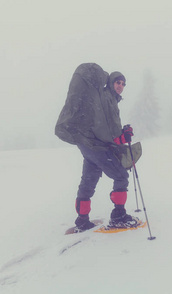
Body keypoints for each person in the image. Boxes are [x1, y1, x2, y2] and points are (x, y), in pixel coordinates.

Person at [55, 63, 138, 232]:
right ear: (110, 82)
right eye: (117, 82)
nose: (120, 86)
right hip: (97, 146)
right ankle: (118, 216)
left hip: (88, 144)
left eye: (123, 84)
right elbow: (111, 133)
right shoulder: (107, 98)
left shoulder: (104, 98)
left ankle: (82, 220)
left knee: (88, 181)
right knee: (121, 175)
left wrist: (122, 133)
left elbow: (105, 128)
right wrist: (124, 135)